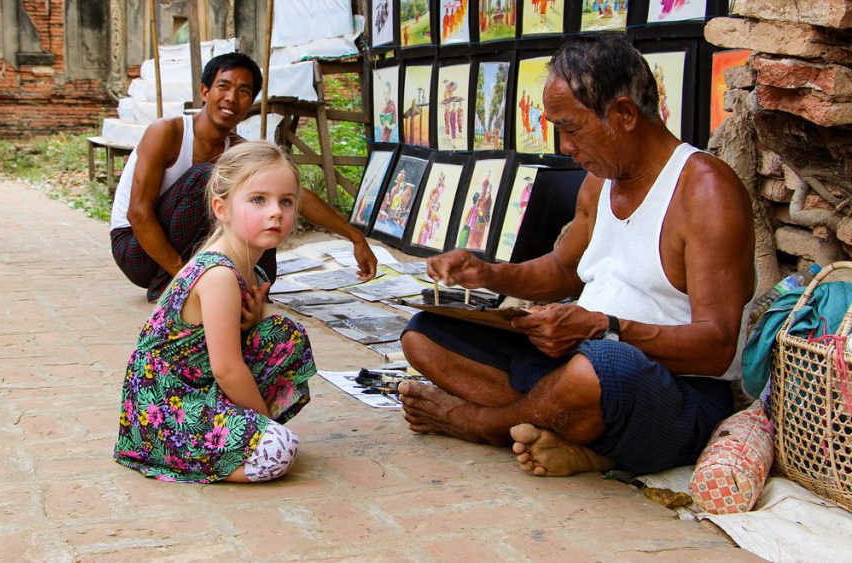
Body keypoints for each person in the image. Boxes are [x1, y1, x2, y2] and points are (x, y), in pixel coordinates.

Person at [397, 33, 756, 477]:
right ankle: (566, 428)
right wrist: (487, 273)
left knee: (596, 373)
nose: (565, 147)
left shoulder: (705, 190)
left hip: (672, 393)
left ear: (623, 114)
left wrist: (605, 328)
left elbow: (718, 348)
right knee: (424, 333)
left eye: (570, 127)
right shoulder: (599, 180)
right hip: (583, 362)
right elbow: (563, 270)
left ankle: (478, 423)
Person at [114, 141, 316, 483]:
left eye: (286, 201)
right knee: (278, 451)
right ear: (221, 208)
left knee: (285, 336)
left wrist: (253, 322)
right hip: (164, 406)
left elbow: (232, 343)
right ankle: (207, 454)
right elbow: (226, 368)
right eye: (258, 200)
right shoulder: (219, 274)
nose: (275, 212)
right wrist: (264, 423)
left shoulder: (253, 266)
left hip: (200, 386)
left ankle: (240, 437)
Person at [110, 52, 377, 302]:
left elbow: (296, 195)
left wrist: (356, 237)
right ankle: (172, 287)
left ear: (251, 102)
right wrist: (185, 277)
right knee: (208, 176)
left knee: (262, 196)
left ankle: (255, 290)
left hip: (185, 246)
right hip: (135, 250)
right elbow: (138, 214)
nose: (231, 98)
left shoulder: (238, 149)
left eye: (243, 92)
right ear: (205, 91)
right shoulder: (168, 132)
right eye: (223, 87)